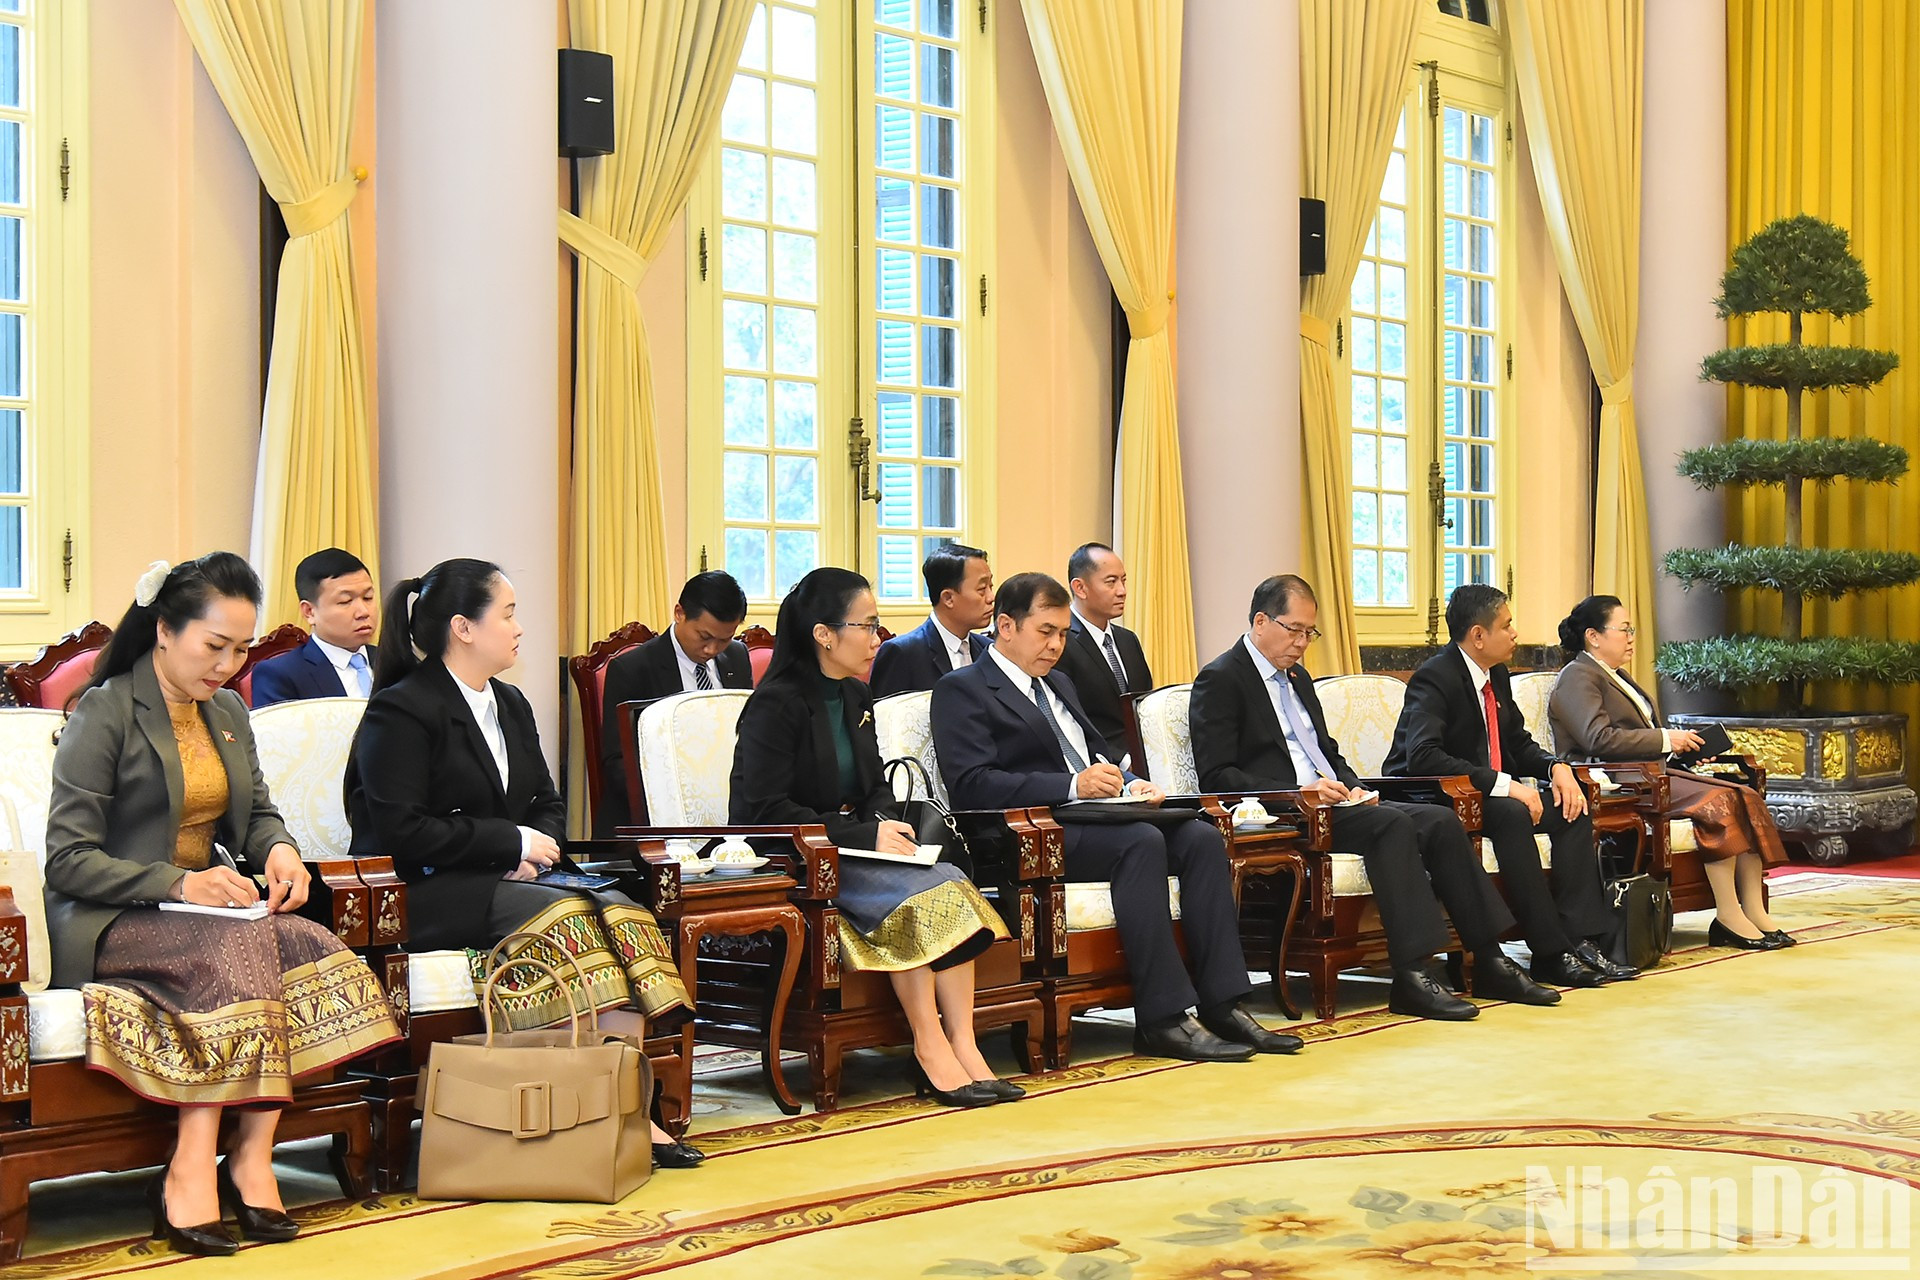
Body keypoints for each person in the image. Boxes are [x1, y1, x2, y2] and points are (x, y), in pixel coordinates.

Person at [44, 553, 401, 1256]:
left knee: (311, 944)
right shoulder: (105, 711)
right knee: (237, 948)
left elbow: (258, 815)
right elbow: (67, 860)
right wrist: (179, 884)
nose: (228, 666)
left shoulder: (229, 710)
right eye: (215, 647)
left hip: (206, 915)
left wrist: (279, 852)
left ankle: (249, 1155)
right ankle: (188, 1168)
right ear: (165, 632)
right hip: (110, 916)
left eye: (241, 649)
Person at [344, 558, 702, 1167]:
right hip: (425, 892)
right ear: (463, 627)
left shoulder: (509, 702)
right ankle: (574, 1121)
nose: (518, 627)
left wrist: (537, 849)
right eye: (507, 614)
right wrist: (509, 845)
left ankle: (627, 1114)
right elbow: (401, 830)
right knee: (569, 918)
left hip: (513, 883)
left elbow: (546, 801)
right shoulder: (402, 710)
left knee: (620, 906)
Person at [932, 572, 1300, 1063]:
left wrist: (1130, 785)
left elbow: (1096, 755)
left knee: (1199, 836)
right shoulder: (963, 689)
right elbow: (972, 784)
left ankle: (1223, 1002)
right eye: (1045, 632)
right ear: (1005, 626)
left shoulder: (1058, 683)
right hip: (1029, 833)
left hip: (1099, 818)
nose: (1056, 645)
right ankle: (1162, 1019)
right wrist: (1070, 785)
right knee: (1142, 842)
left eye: (1063, 634)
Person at [1189, 575, 1559, 1018]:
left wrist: (1353, 785)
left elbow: (1325, 751)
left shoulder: (1298, 679)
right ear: (1261, 621)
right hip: (1288, 811)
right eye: (1294, 630)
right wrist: (1297, 791)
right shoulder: (1221, 679)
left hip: (1335, 801)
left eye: (1310, 632)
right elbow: (1216, 775)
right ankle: (1413, 974)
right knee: (1393, 824)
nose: (1303, 642)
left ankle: (1490, 958)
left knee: (1438, 821)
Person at [729, 567, 1018, 1107]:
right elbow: (765, 810)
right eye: (867, 625)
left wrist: (886, 823)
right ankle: (929, 1047)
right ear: (824, 634)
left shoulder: (857, 699)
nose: (877, 638)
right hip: (797, 856)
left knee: (951, 880)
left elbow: (875, 786)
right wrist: (862, 833)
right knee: (917, 897)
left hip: (855, 848)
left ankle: (966, 1044)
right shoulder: (777, 704)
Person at [1386, 584, 1636, 988]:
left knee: (1571, 807)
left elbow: (1516, 743)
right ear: (1478, 635)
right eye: (1507, 625)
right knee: (1512, 810)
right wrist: (1505, 785)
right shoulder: (1435, 677)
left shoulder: (1496, 674)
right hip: (1433, 794)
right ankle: (1548, 952)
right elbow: (1423, 757)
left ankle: (1579, 940)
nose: (1516, 633)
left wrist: (1556, 768)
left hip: (1486, 791)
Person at [1549, 594, 1793, 949]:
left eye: (1632, 630)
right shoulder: (1578, 676)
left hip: (1651, 773)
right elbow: (1597, 739)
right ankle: (1728, 915)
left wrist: (1684, 752)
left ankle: (1754, 910)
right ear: (1594, 636)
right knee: (1719, 800)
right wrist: (1666, 739)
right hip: (1618, 779)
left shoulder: (1615, 676)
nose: (1632, 637)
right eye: (1624, 629)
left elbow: (1643, 737)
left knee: (1747, 795)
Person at [597, 570, 754, 833]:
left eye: (724, 639)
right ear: (679, 613)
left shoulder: (737, 658)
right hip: (656, 818)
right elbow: (618, 762)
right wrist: (676, 804)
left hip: (728, 814)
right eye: (704, 637)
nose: (712, 650)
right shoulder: (632, 669)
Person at [247, 547, 379, 707]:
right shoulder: (280, 675)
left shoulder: (396, 661)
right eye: (345, 601)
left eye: (368, 597)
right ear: (309, 612)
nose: (364, 612)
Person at [1054, 543, 1154, 751]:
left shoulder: (1128, 640)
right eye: (1111, 582)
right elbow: (1070, 719)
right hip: (1098, 764)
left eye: (1123, 581)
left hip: (1144, 760)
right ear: (1080, 588)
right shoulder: (1060, 642)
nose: (1122, 591)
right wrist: (1124, 760)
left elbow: (1144, 705)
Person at [869, 543, 994, 699]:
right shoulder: (902, 653)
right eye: (982, 589)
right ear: (948, 598)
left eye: (991, 586)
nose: (991, 597)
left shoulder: (988, 649)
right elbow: (884, 717)